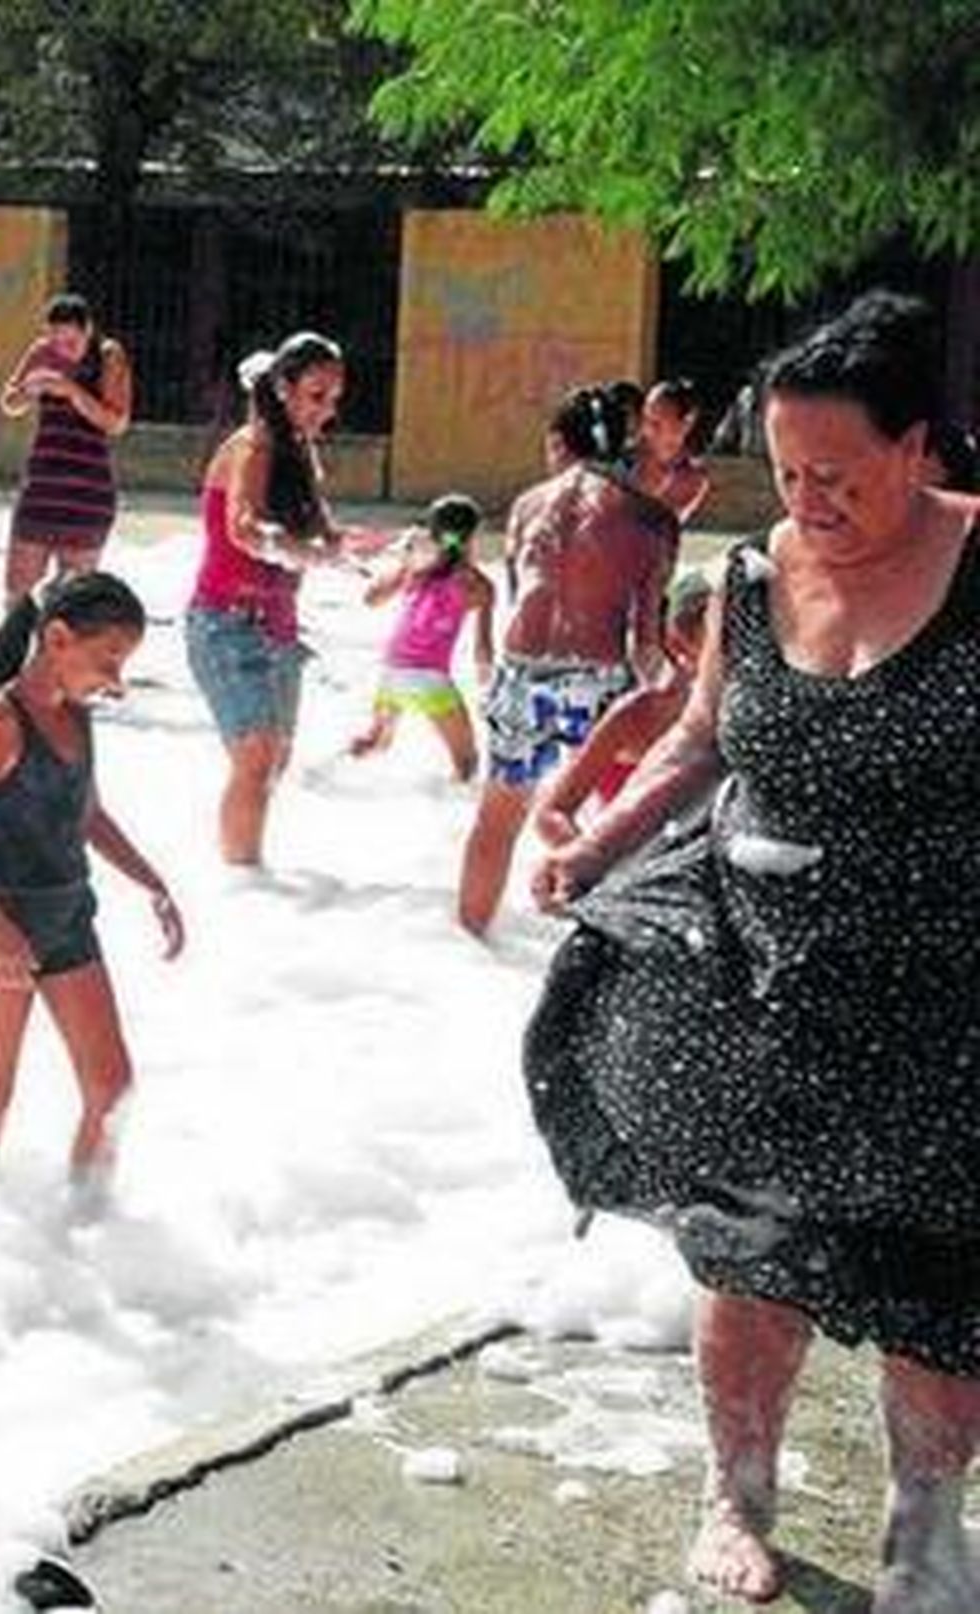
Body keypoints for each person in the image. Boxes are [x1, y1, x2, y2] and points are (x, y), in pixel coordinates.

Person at [525, 291, 980, 1611]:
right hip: (762, 967)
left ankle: (924, 1526)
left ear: (919, 448)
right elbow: (701, 734)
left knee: (939, 1275)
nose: (806, 498)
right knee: (744, 1243)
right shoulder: (753, 570)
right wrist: (597, 837)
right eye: (785, 470)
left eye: (836, 473)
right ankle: (738, 1488)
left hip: (943, 990)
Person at [0, 572, 184, 1185]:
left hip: (69, 917)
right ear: (59, 638)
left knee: (112, 1086)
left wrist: (152, 882)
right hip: (2, 925)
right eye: (109, 660)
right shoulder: (0, 723)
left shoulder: (78, 715)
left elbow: (88, 814)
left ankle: (88, 1222)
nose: (116, 680)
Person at [457, 385, 678, 934]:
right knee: (626, 822)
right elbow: (647, 643)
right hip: (598, 681)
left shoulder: (526, 505)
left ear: (558, 442)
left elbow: (517, 596)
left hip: (520, 673)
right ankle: (617, 940)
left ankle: (469, 942)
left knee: (497, 819)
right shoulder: (651, 519)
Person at [185, 332, 355, 866]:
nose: (326, 411)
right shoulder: (252, 445)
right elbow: (243, 528)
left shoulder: (299, 451)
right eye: (315, 396)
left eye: (333, 399)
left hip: (279, 628)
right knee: (256, 760)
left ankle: (248, 892)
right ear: (282, 388)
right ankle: (240, 884)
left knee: (273, 763)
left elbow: (325, 536)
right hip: (225, 624)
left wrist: (358, 549)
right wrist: (303, 552)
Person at [531, 570, 710, 846]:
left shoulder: (755, 716)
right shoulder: (638, 714)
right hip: (630, 871)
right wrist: (590, 862)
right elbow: (550, 813)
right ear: (680, 643)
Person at [348, 493, 494, 781]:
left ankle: (319, 774)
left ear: (433, 533)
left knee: (376, 743)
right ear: (474, 535)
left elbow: (371, 599)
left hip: (392, 672)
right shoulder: (479, 585)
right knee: (466, 763)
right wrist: (487, 687)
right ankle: (453, 820)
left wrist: (403, 561)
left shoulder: (416, 572)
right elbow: (484, 651)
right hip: (431, 679)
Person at [0, 293, 133, 602]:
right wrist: (27, 391)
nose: (62, 350)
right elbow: (8, 402)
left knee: (71, 602)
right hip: (42, 485)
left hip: (88, 492)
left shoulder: (108, 355)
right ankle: (15, 650)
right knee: (16, 593)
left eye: (71, 342)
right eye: (55, 341)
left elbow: (116, 422)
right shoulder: (42, 352)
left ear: (88, 330)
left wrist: (71, 390)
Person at [635, 379, 711, 523]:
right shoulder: (623, 461)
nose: (646, 430)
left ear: (687, 423)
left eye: (656, 423)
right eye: (645, 418)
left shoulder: (693, 478)